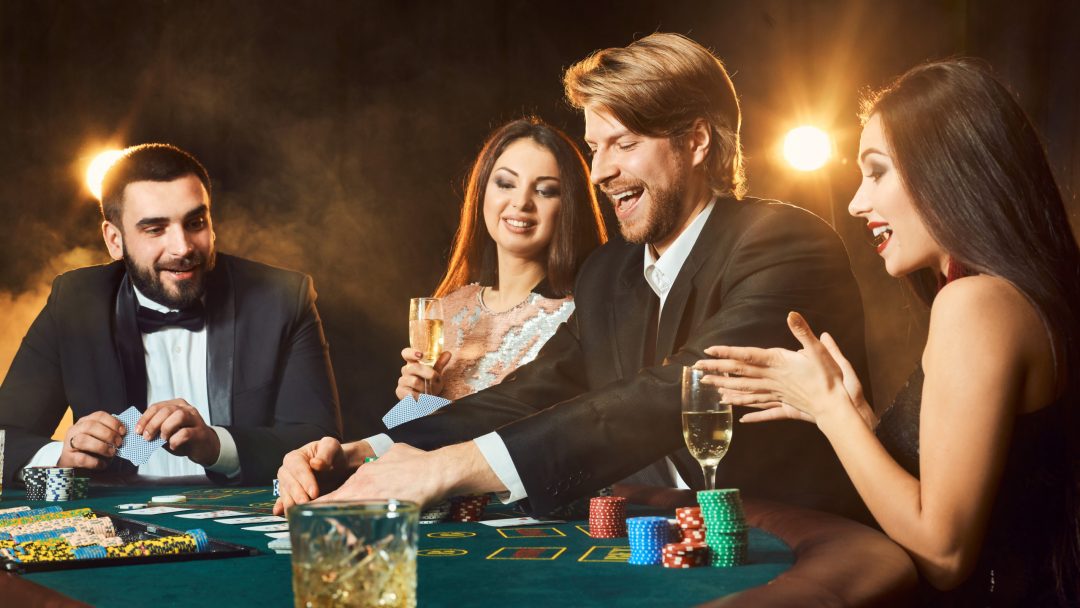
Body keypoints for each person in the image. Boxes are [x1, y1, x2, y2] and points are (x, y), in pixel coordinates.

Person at [274, 33, 870, 522]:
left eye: (625, 144)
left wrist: (445, 468)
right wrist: (366, 452)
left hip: (788, 540)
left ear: (694, 141)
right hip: (651, 538)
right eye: (594, 146)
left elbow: (675, 393)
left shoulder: (784, 243)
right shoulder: (609, 272)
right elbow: (532, 391)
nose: (603, 171)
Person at [697, 60, 1080, 605]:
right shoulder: (1010, 297)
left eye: (875, 171)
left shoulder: (975, 303)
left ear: (948, 169)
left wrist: (830, 410)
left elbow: (944, 556)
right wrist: (858, 418)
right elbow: (965, 490)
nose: (856, 202)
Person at [0, 143, 342, 485]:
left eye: (195, 222)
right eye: (155, 229)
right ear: (114, 240)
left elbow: (320, 442)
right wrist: (61, 456)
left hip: (250, 516)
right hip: (119, 526)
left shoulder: (281, 297)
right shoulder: (75, 302)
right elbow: (5, 436)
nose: (183, 247)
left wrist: (216, 445)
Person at [394, 117, 607, 402]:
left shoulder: (577, 319)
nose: (521, 202)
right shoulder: (449, 308)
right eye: (506, 184)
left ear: (568, 206)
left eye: (545, 191)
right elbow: (410, 437)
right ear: (482, 190)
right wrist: (416, 402)